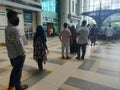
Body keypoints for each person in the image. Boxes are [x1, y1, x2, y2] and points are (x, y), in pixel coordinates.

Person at [5, 10, 28, 90]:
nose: (18, 18)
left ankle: (11, 84)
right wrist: (23, 53)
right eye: (16, 16)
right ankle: (18, 87)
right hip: (18, 55)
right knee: (18, 72)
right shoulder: (14, 29)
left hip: (11, 55)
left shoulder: (7, 28)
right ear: (11, 18)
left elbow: (9, 42)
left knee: (14, 70)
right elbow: (18, 43)